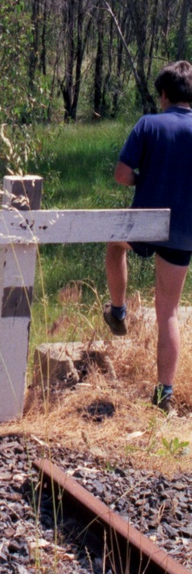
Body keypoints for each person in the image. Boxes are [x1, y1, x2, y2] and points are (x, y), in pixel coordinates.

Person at [104, 60, 192, 411]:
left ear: (164, 95)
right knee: (168, 311)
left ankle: (119, 310)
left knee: (113, 244)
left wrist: (146, 181)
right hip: (185, 230)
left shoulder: (148, 124)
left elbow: (122, 175)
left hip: (147, 224)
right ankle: (165, 395)